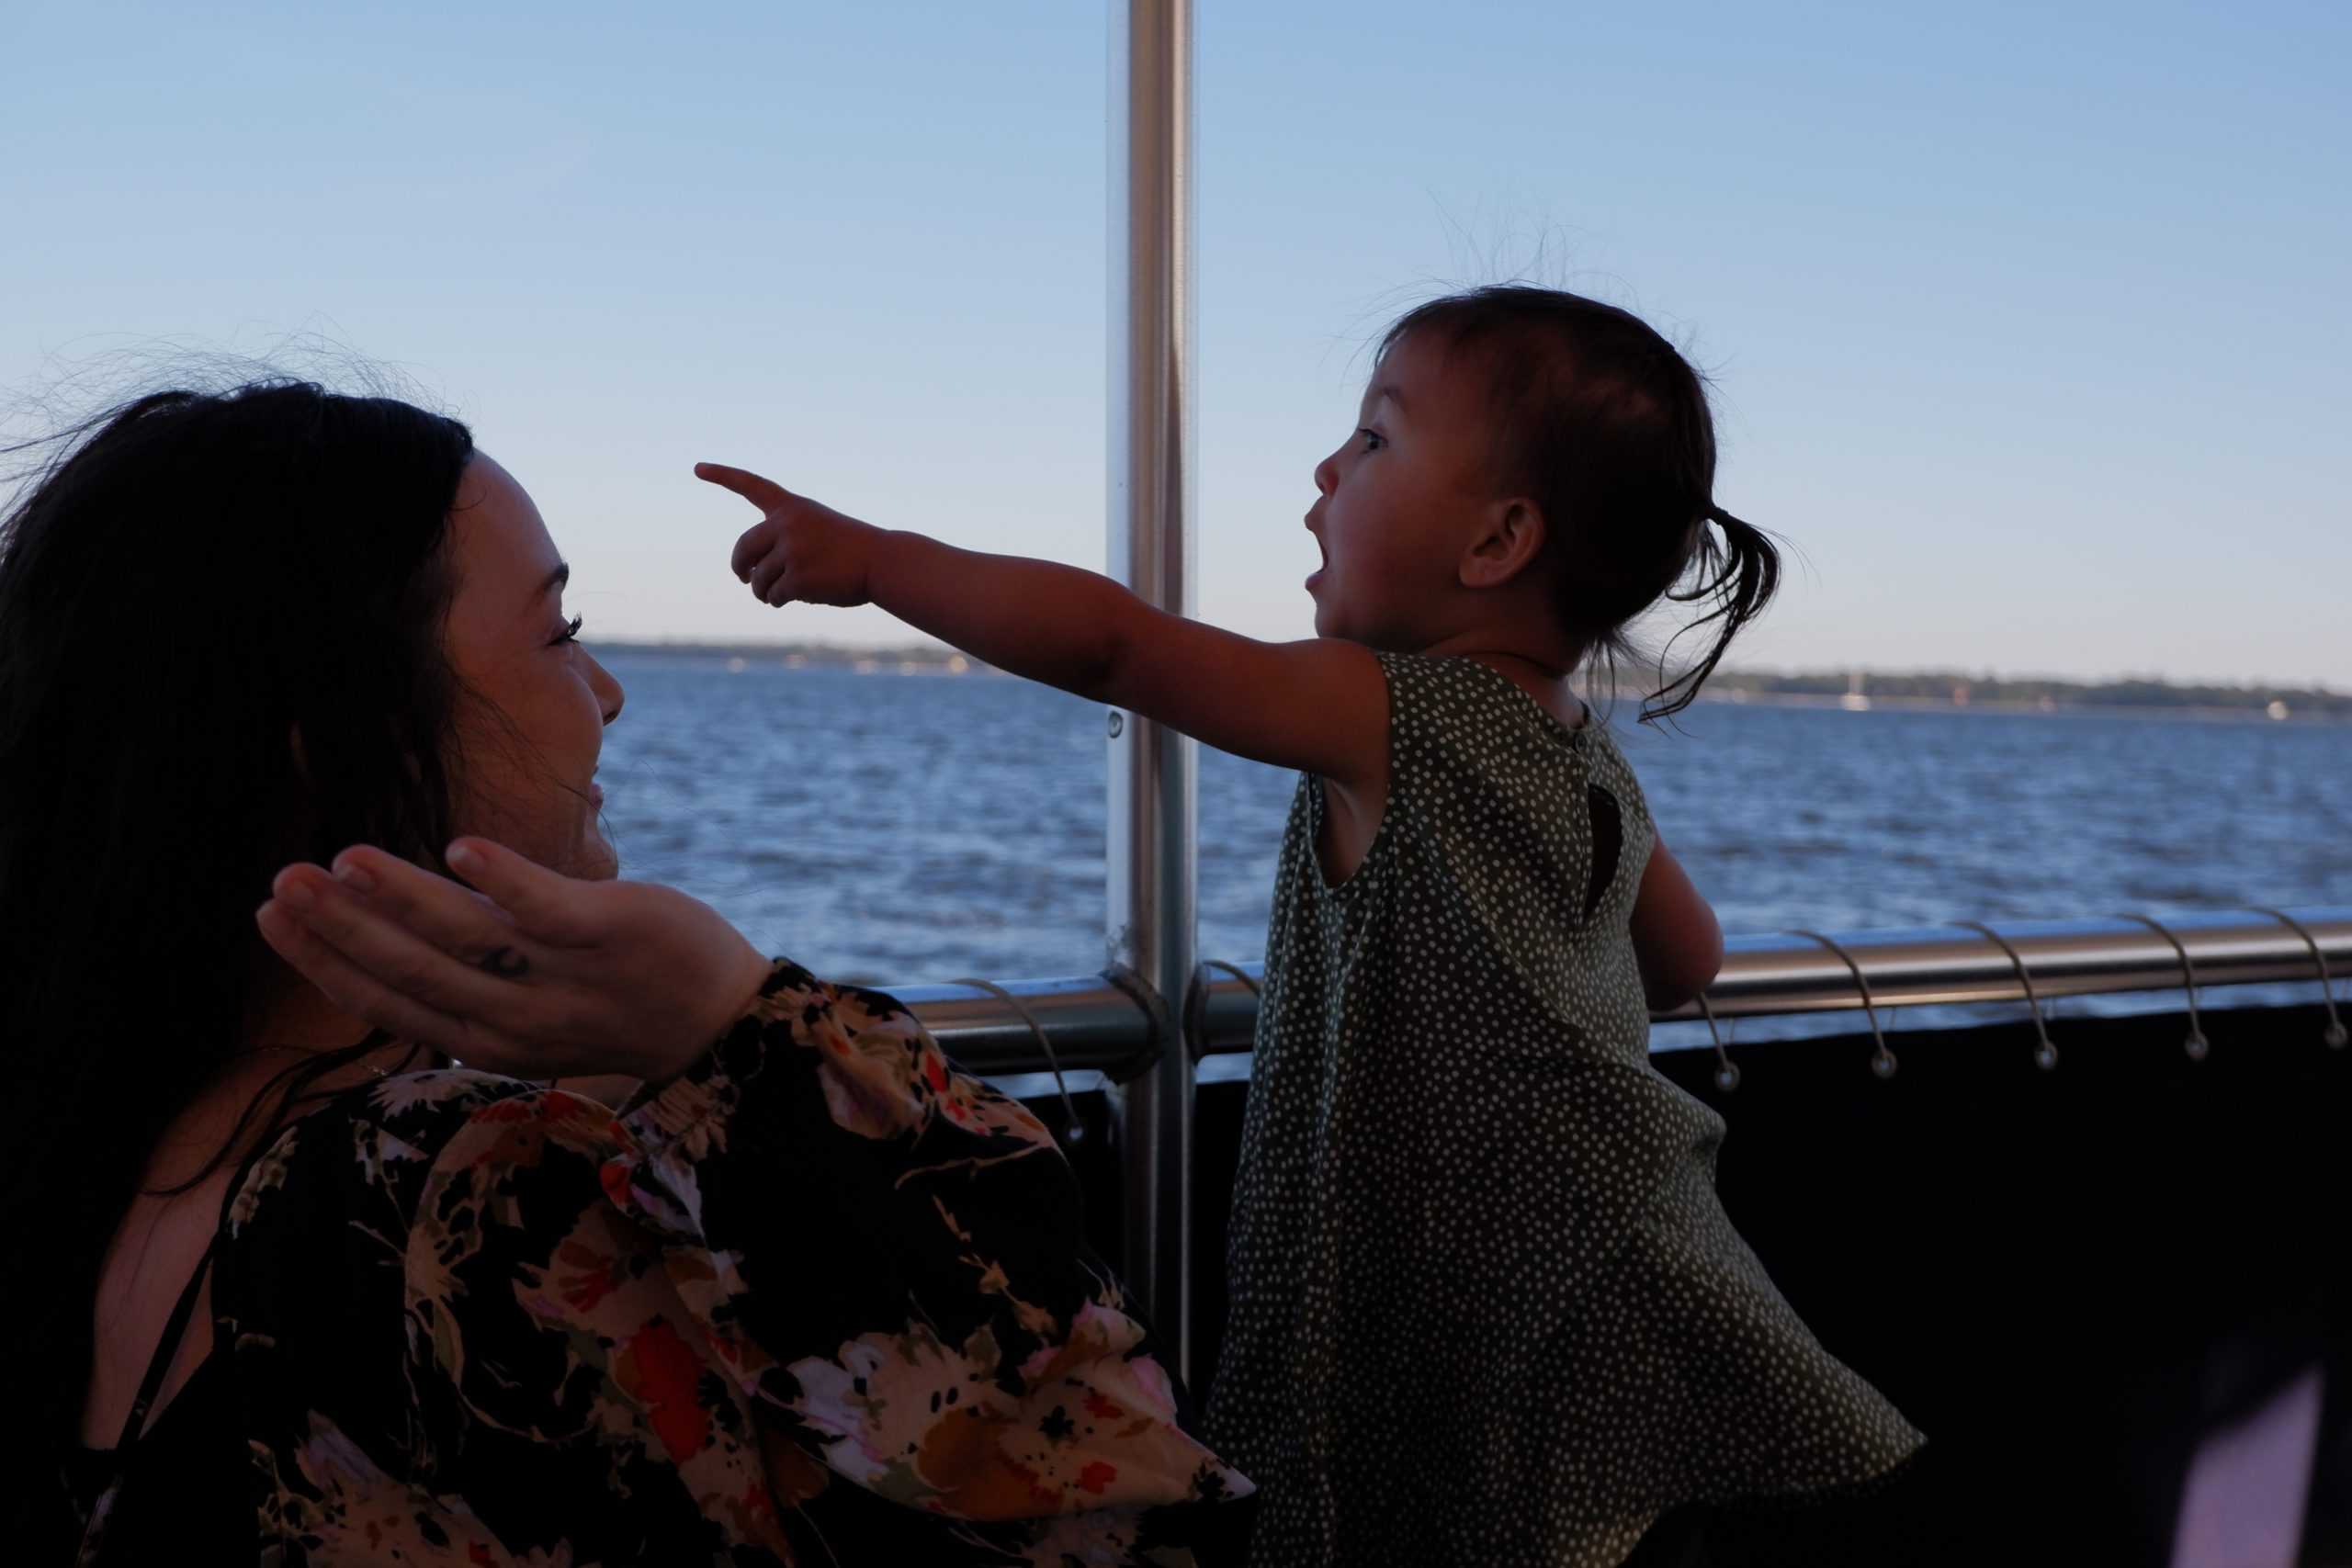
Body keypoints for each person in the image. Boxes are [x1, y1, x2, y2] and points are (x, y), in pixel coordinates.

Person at [691, 284, 1925, 1564]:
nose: (1325, 471)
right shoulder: (1583, 755)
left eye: (1376, 440)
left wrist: (880, 562)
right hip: (1584, 1273)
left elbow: (1120, 650)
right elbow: (1691, 960)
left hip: (1437, 1294)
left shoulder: (1390, 709)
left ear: (1498, 542)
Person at [1, 379, 1248, 1563]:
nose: (606, 694)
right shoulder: (462, 1196)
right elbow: (1130, 1522)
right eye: (561, 632)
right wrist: (740, 1030)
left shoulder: (104, 1148)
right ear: (345, 742)